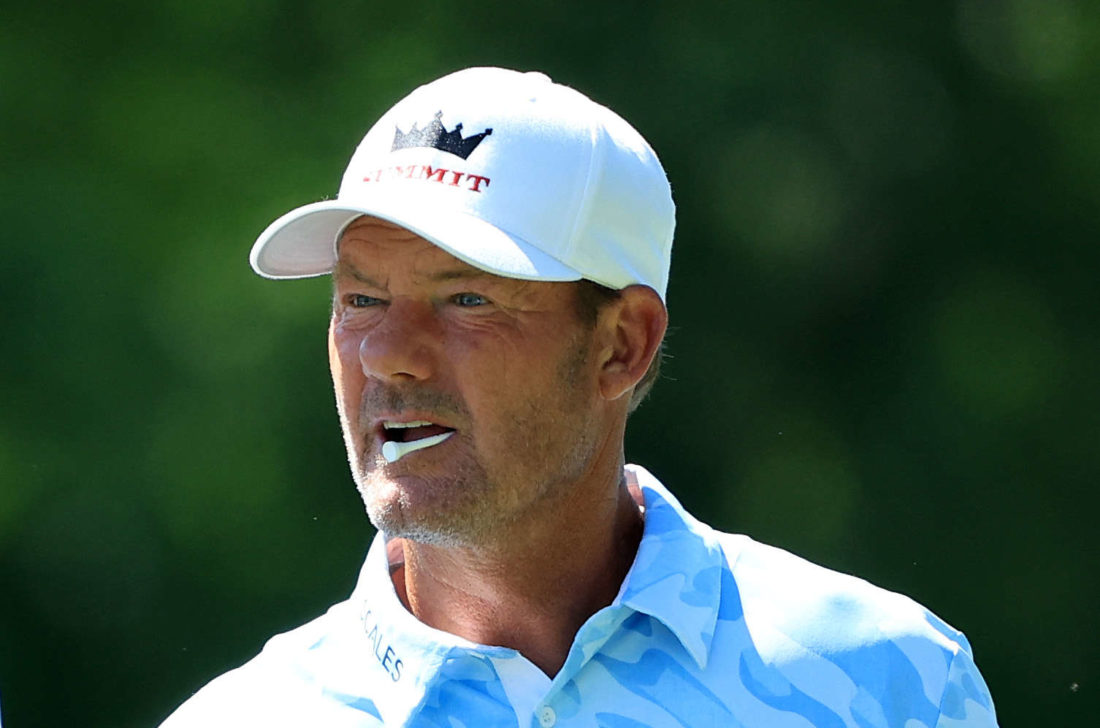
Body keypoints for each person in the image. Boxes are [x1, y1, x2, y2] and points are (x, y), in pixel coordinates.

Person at [161, 67, 998, 727]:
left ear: (622, 344)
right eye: (361, 300)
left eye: (467, 301)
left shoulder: (895, 688)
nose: (389, 356)